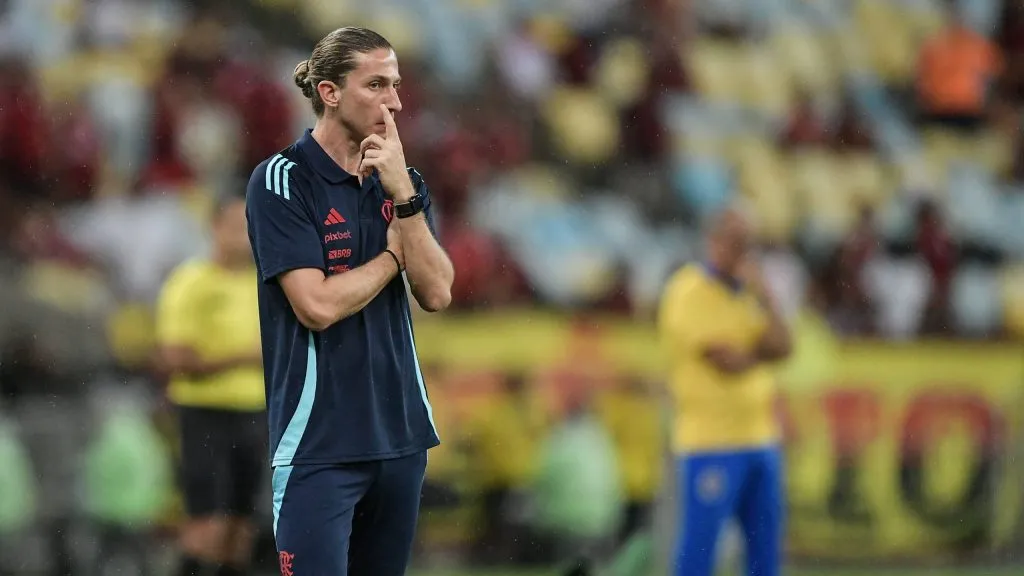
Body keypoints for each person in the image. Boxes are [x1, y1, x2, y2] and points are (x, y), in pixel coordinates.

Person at [245, 27, 454, 576]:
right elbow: (315, 305)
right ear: (330, 92)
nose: (395, 102)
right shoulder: (282, 180)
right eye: (377, 84)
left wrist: (404, 198)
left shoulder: (402, 182)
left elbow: (436, 291)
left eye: (397, 85)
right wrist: (390, 261)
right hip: (320, 443)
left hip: (401, 435)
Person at [657, 206, 792, 576]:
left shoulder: (750, 295)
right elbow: (727, 362)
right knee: (700, 549)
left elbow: (786, 347)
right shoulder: (687, 290)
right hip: (710, 441)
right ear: (713, 241)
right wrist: (762, 353)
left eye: (750, 245)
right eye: (736, 243)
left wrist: (767, 299)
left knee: (765, 551)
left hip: (761, 437)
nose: (744, 253)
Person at [156, 193, 266, 576]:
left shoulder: (267, 282)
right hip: (205, 413)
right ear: (214, 228)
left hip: (257, 412)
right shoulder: (191, 281)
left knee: (242, 526)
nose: (243, 236)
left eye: (248, 227)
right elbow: (174, 358)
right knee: (206, 523)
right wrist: (245, 356)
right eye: (235, 226)